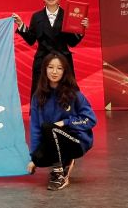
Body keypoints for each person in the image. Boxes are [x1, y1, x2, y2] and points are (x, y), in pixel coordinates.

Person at [26, 52, 96, 191]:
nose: (54, 71)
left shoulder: (74, 94)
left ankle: (58, 174)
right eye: (50, 67)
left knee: (48, 127)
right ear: (44, 69)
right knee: (38, 159)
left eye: (59, 68)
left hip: (76, 141)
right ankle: (66, 161)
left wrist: (65, 122)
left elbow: (90, 119)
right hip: (52, 140)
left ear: (65, 71)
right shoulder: (37, 97)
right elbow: (35, 128)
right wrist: (34, 156)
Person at [12, 0, 89, 100]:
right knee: (40, 94)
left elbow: (72, 42)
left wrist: (81, 29)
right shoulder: (36, 16)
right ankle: (39, 112)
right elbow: (31, 39)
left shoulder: (68, 15)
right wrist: (21, 24)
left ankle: (67, 112)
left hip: (63, 60)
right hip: (42, 61)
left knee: (66, 93)